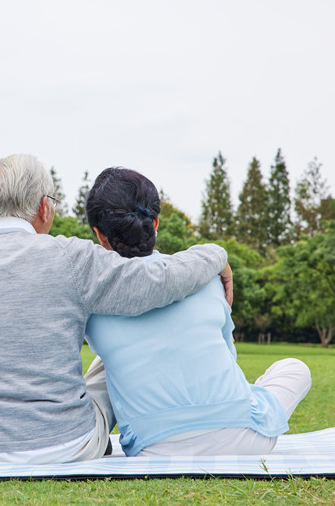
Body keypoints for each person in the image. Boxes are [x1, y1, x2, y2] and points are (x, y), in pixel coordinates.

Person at [0, 154, 232, 464]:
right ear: (45, 208)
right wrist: (215, 254)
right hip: (69, 445)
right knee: (108, 361)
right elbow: (158, 280)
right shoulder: (72, 257)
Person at [84, 167, 312, 456]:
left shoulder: (93, 297)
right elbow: (228, 356)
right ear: (155, 223)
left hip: (152, 447)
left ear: (99, 234)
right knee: (295, 368)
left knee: (109, 361)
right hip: (246, 438)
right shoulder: (207, 278)